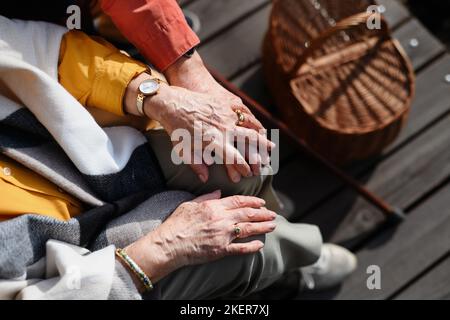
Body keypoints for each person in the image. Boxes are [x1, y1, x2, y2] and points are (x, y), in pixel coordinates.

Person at [0, 2, 356, 300]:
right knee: (246, 250)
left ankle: (274, 228)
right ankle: (289, 264)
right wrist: (161, 250)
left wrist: (160, 95)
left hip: (86, 154)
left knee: (244, 155)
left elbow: (38, 52)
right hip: (88, 269)